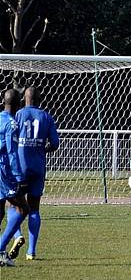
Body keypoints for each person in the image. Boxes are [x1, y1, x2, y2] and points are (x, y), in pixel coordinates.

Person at [6, 87, 59, 261]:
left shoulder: (18, 115)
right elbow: (55, 144)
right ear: (39, 100)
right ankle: (31, 251)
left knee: (14, 205)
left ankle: (17, 236)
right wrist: (42, 149)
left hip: (19, 168)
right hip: (37, 167)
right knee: (34, 207)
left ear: (25, 99)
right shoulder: (46, 117)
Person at [0, 89, 29, 267]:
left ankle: (2, 253)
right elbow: (11, 152)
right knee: (23, 208)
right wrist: (19, 177)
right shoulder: (12, 124)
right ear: (18, 104)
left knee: (0, 211)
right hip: (4, 170)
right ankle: (1, 247)